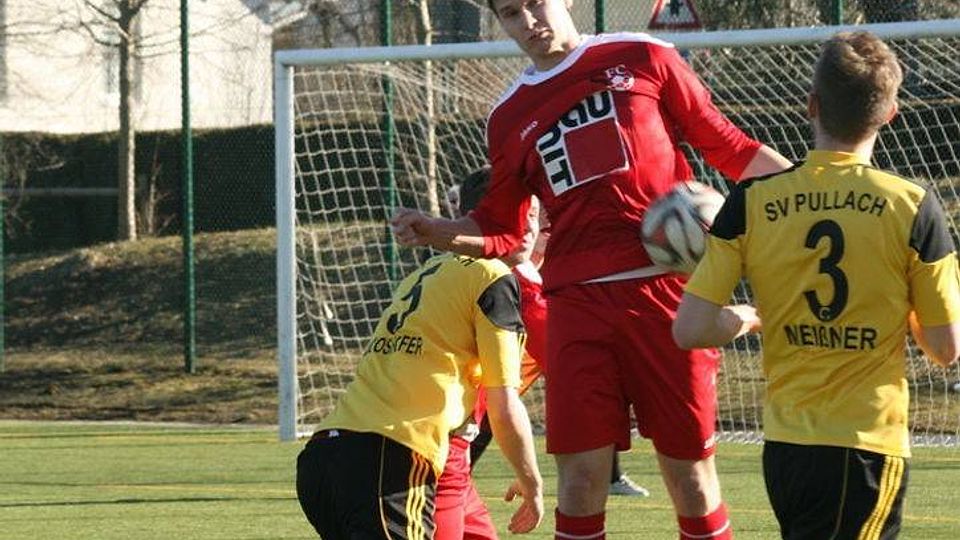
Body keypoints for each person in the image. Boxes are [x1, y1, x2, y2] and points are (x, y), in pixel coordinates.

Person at [390, 1, 793, 537]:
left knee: (691, 480)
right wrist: (437, 229)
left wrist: (817, 195)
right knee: (580, 484)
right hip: (577, 308)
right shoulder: (508, 117)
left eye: (536, 4)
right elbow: (505, 233)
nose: (528, 22)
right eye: (511, 13)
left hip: (667, 299)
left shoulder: (645, 55)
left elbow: (727, 145)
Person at [673, 31, 960, 539]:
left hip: (785, 447)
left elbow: (691, 328)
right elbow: (945, 348)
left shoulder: (751, 200)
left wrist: (746, 317)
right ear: (889, 114)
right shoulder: (913, 205)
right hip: (866, 441)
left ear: (810, 106)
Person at [295, 203, 545, 538]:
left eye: (533, 217)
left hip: (328, 457)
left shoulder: (429, 273)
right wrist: (532, 483)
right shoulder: (493, 277)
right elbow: (504, 405)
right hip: (392, 460)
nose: (529, 228)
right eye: (518, 214)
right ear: (481, 220)